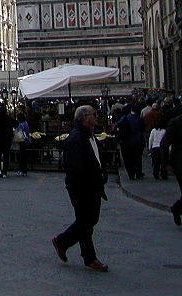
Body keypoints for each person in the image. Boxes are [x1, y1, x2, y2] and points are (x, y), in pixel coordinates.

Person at [52, 105, 109, 272]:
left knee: (87, 221)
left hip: (91, 185)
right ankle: (74, 248)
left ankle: (71, 247)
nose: (96, 116)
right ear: (85, 118)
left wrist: (101, 173)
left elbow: (95, 158)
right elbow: (75, 167)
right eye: (94, 114)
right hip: (82, 188)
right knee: (87, 221)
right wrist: (90, 182)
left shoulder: (89, 136)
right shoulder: (76, 138)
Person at [162, 110, 182, 225]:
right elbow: (164, 143)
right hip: (180, 163)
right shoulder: (176, 123)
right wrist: (166, 163)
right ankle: (176, 208)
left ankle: (177, 208)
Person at [117, 104, 145, 180]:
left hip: (126, 142)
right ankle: (138, 173)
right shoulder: (140, 119)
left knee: (128, 159)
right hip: (138, 142)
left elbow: (119, 128)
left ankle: (131, 174)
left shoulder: (125, 118)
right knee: (138, 158)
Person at [0, 102, 14, 178]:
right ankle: (5, 171)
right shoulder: (8, 118)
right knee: (5, 156)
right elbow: (16, 123)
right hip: (6, 139)